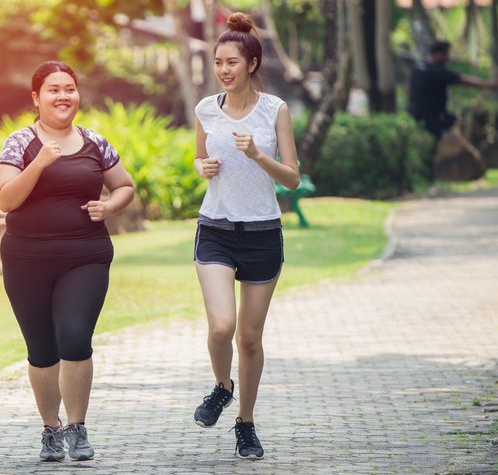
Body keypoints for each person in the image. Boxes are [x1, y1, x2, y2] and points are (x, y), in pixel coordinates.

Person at [0, 60, 135, 462]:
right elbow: (5, 200)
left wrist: (109, 207)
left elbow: (125, 186)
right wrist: (39, 162)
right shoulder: (19, 143)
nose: (63, 96)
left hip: (85, 255)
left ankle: (77, 428)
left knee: (74, 338)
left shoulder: (95, 142)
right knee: (41, 349)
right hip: (26, 259)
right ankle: (50, 430)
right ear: (36, 98)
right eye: (53, 89)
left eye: (69, 88)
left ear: (77, 94)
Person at [190, 12, 300, 460]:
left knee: (249, 339)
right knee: (221, 326)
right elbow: (199, 158)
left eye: (232, 62)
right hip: (215, 227)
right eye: (218, 62)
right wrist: (204, 167)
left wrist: (257, 154)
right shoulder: (205, 110)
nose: (224, 70)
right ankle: (221, 387)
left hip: (261, 233)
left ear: (251, 63)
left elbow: (292, 178)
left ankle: (246, 423)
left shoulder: (275, 110)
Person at [407, 40, 498, 140]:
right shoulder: (437, 71)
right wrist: (488, 84)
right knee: (447, 133)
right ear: (439, 54)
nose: (448, 58)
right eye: (446, 54)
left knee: (454, 123)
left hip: (415, 111)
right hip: (431, 117)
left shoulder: (418, 66)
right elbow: (463, 80)